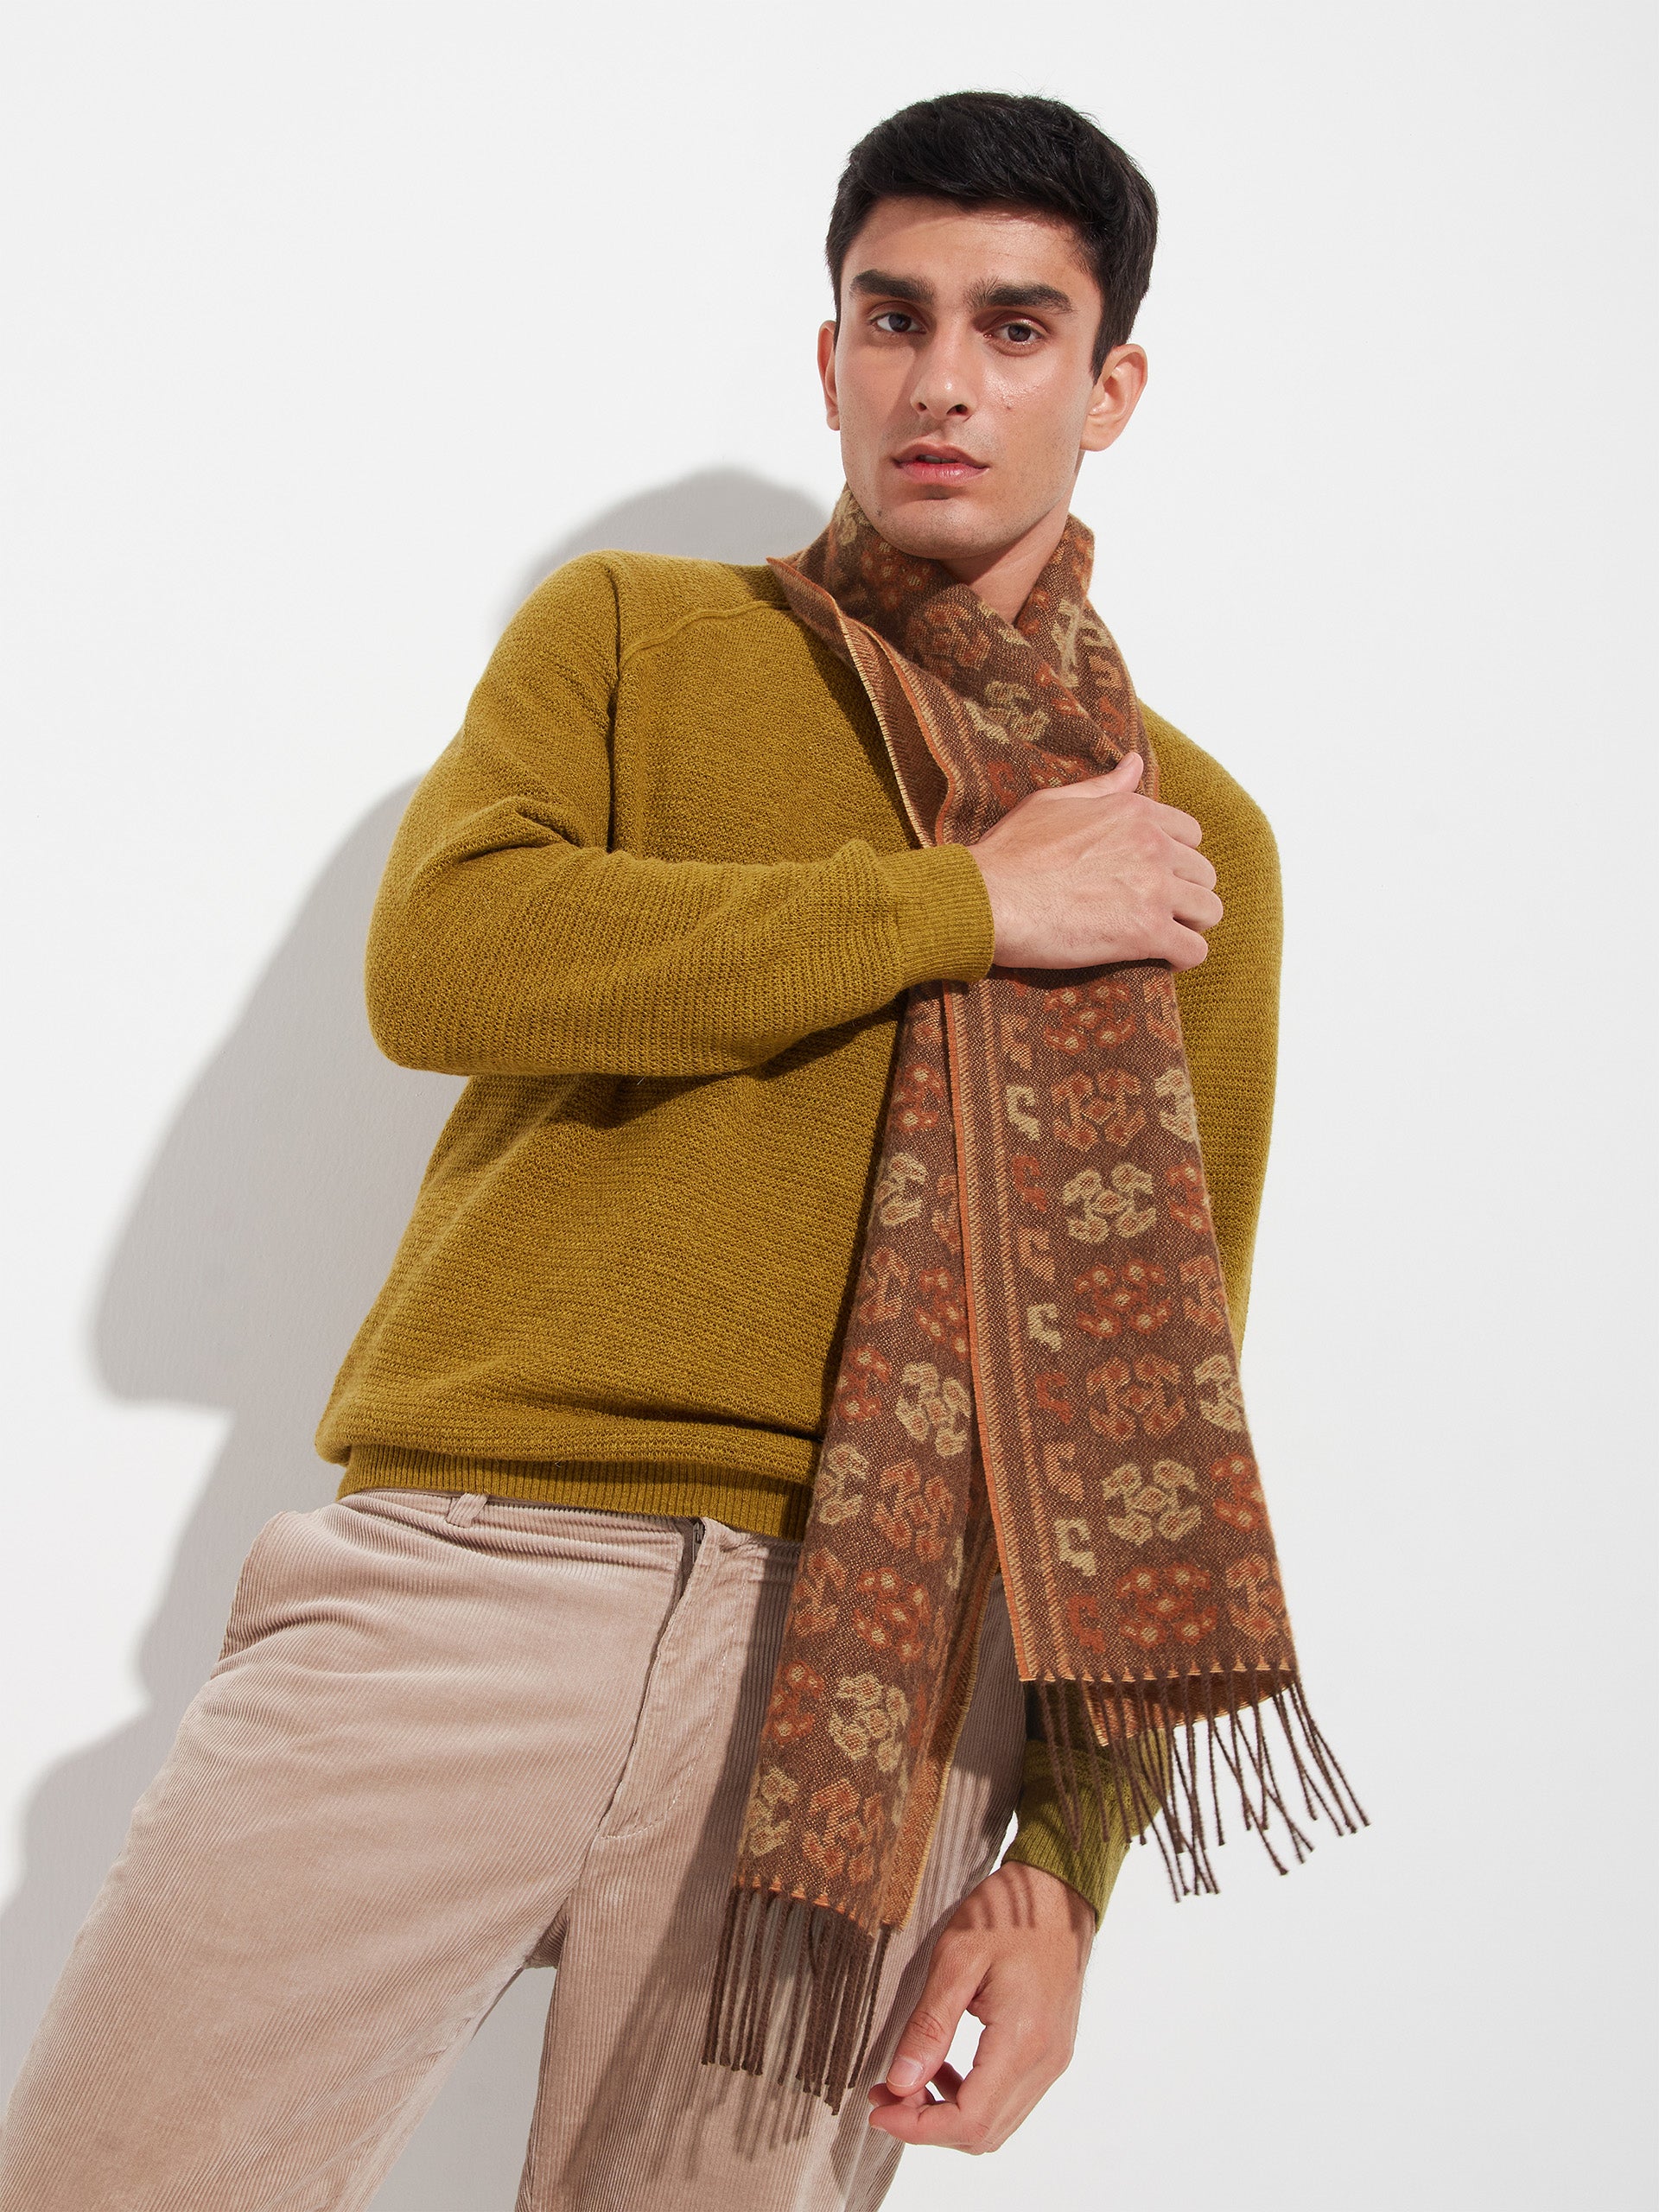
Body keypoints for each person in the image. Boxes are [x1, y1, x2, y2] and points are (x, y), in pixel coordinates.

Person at [0, 89, 1294, 2211]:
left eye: (1015, 326)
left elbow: (1164, 1387)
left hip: (879, 1686)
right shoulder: (633, 634)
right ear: (829, 353)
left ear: (1112, 385)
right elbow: (451, 956)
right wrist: (965, 903)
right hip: (477, 1573)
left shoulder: (1184, 840)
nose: (943, 379)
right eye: (893, 315)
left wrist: (1068, 1859)